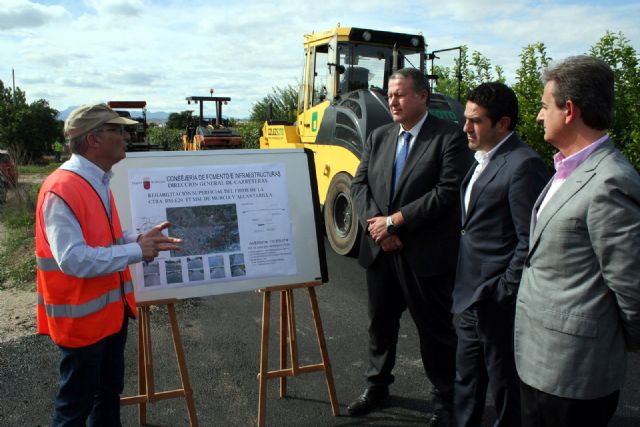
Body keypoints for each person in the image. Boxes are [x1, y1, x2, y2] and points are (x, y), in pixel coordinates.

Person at [36, 103, 182, 426]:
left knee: (106, 399)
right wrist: (136, 251)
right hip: (81, 327)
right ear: (93, 140)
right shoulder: (61, 189)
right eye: (117, 129)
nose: (127, 135)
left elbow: (104, 239)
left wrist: (138, 238)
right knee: (74, 408)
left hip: (109, 321)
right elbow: (72, 259)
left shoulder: (98, 181)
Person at [514, 55, 640, 427]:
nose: (538, 115)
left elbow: (632, 287)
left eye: (543, 105)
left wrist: (608, 344)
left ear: (568, 110)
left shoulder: (611, 181)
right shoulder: (567, 169)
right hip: (540, 362)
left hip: (574, 374)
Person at [349, 67, 473, 426]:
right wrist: (379, 227)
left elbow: (448, 192)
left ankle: (446, 399)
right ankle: (377, 387)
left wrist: (395, 221)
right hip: (381, 251)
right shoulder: (379, 136)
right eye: (390, 94)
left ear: (422, 96)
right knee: (380, 325)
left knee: (434, 330)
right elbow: (359, 186)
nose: (392, 101)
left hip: (425, 255)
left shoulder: (448, 137)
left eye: (400, 94)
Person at [452, 82, 549, 426]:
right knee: (465, 382)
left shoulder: (524, 165)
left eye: (475, 121)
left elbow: (530, 241)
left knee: (506, 389)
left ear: (503, 124)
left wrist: (501, 292)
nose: (465, 128)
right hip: (470, 297)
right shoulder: (480, 158)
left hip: (497, 303)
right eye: (466, 119)